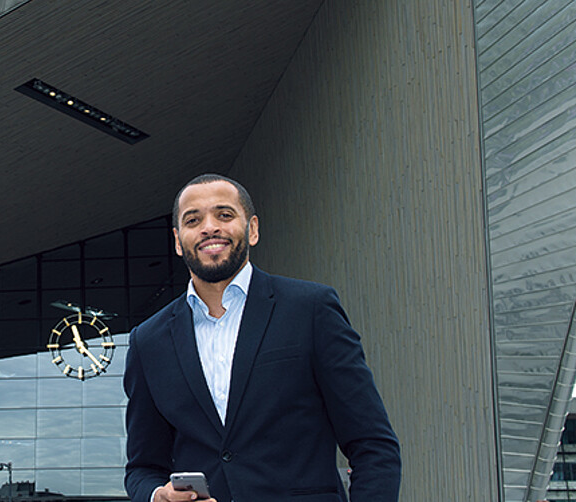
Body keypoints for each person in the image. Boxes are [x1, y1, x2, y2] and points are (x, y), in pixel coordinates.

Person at [124, 174, 400, 502]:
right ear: (177, 240)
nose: (209, 227)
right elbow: (142, 468)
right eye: (193, 219)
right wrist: (159, 496)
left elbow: (373, 445)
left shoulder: (311, 309)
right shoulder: (148, 341)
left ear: (252, 229)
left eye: (224, 215)